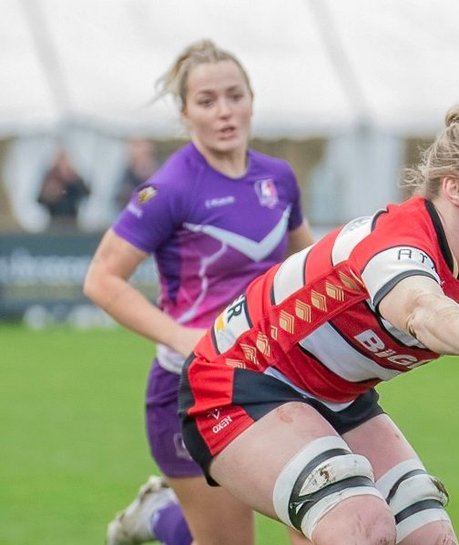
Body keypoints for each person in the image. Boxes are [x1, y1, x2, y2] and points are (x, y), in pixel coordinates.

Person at [178, 104, 459, 545]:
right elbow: (421, 308)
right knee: (358, 520)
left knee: (430, 535)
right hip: (239, 383)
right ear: (455, 188)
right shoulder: (397, 242)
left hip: (336, 397)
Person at [85, 39, 314, 545]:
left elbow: (307, 267)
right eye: (207, 101)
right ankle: (160, 517)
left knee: (324, 522)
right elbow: (101, 279)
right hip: (190, 387)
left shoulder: (278, 179)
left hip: (275, 376)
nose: (225, 111)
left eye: (235, 96)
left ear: (252, 99)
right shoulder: (168, 189)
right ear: (185, 112)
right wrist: (184, 337)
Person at [37, 148, 91, 230]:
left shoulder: (74, 177)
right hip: (54, 222)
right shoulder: (50, 176)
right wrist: (51, 193)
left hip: (72, 222)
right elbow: (40, 199)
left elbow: (85, 193)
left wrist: (72, 178)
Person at [116, 139, 161, 208]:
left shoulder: (160, 170)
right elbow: (121, 197)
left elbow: (158, 192)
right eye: (133, 146)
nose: (134, 150)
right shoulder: (128, 172)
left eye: (138, 145)